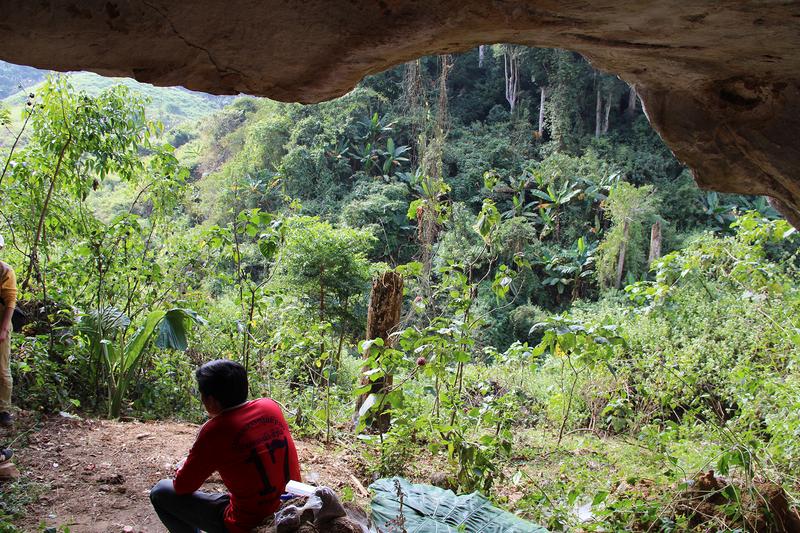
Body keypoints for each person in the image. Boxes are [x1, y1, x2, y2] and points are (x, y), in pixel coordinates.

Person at [150, 359, 301, 533]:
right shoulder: (270, 406)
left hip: (247, 523)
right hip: (290, 505)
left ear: (212, 400)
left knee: (160, 491)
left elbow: (182, 486)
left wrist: (183, 466)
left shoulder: (215, 430)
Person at [0, 234, 16, 428]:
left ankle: (3, 409)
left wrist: (3, 328)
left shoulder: (5, 271)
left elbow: (11, 300)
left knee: (2, 370)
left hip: (2, 317)